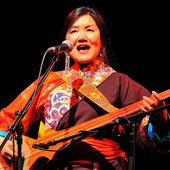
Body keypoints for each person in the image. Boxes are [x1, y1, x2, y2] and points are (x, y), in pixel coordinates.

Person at [0, 6, 169, 170]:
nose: (81, 37)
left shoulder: (119, 82)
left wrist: (159, 121)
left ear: (101, 39)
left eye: (89, 30)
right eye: (74, 31)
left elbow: (148, 136)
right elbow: (8, 119)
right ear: (66, 42)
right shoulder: (49, 82)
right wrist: (3, 141)